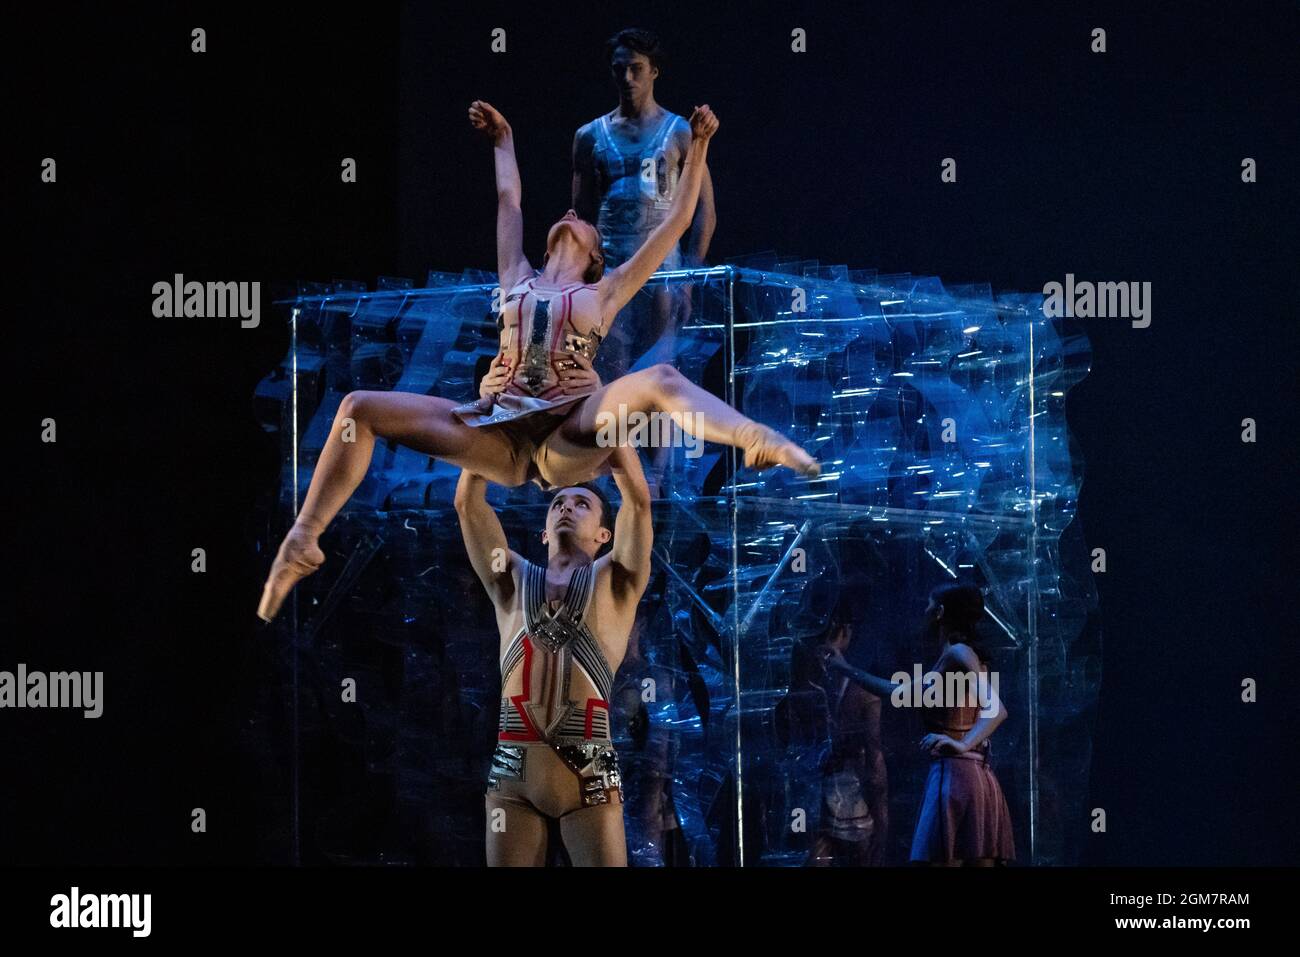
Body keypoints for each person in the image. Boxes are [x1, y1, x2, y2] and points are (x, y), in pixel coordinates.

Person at [255, 98, 818, 623]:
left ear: (597, 254)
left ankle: (751, 437)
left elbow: (675, 221)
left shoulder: (607, 291)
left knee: (661, 380)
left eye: (579, 217)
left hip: (565, 431)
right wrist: (503, 142)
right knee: (358, 408)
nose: (570, 210)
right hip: (497, 432)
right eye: (565, 214)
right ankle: (304, 537)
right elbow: (509, 202)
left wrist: (698, 148)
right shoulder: (516, 280)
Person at [455, 444, 651, 865]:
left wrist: (607, 431)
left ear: (604, 535)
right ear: (543, 531)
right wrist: (499, 428)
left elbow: (638, 501)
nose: (567, 508)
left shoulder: (617, 580)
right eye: (558, 502)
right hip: (512, 776)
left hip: (589, 779)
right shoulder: (508, 578)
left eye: (582, 504)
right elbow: (468, 504)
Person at [824, 584, 1016, 866]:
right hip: (968, 775)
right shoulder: (955, 656)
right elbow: (896, 693)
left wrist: (962, 743)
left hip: (957, 773)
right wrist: (845, 668)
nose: (923, 610)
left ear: (940, 612)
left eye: (928, 604)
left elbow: (997, 710)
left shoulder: (959, 654)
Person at [572, 27, 715, 378]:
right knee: (609, 369)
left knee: (656, 371)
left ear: (654, 71)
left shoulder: (679, 131)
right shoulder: (590, 136)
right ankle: (609, 434)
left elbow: (705, 211)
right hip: (609, 269)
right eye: (619, 68)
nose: (627, 76)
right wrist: (577, 276)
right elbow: (580, 217)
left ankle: (658, 436)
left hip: (663, 268)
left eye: (636, 67)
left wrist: (689, 278)